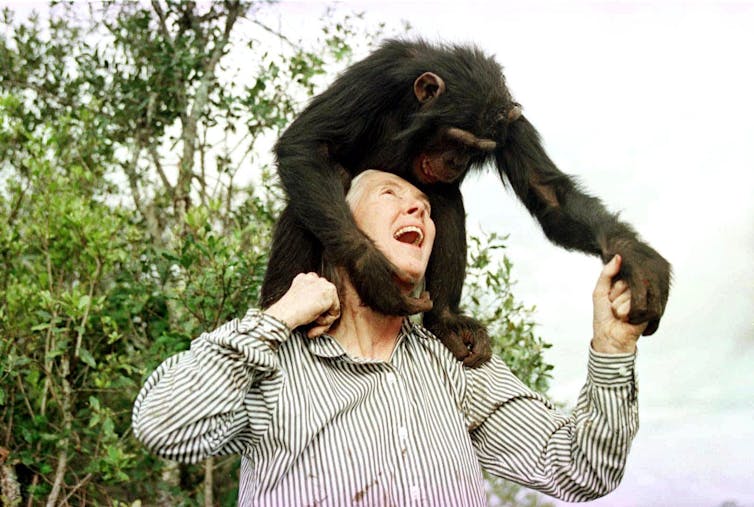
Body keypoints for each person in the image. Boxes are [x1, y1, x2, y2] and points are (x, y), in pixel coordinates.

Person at [132, 170, 647, 506]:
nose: (418, 210)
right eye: (390, 195)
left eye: (424, 205)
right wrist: (280, 316)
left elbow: (581, 468)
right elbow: (163, 424)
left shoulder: (453, 365)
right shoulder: (276, 362)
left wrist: (613, 347)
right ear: (338, 229)